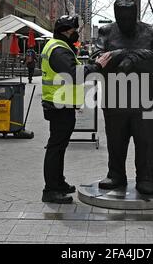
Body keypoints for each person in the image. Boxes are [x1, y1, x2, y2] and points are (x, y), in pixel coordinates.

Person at [94, 0, 153, 195]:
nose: (126, 23)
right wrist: (128, 54)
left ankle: (146, 178)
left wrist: (130, 60)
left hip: (144, 97)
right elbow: (97, 62)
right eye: (121, 19)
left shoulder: (151, 32)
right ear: (116, 16)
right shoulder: (106, 32)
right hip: (115, 96)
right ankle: (116, 174)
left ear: (135, 14)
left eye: (129, 18)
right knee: (115, 140)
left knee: (145, 141)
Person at [41, 15, 111, 204]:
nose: (76, 34)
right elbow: (75, 75)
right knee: (56, 147)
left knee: (59, 146)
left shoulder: (60, 47)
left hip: (61, 104)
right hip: (59, 105)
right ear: (65, 31)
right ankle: (50, 190)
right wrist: (97, 65)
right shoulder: (58, 50)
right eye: (74, 31)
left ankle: (58, 183)